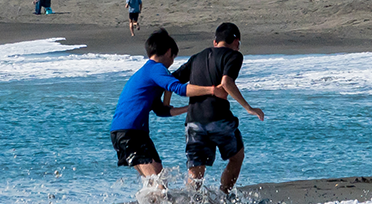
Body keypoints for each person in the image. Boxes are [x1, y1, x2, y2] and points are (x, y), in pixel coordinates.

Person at [110, 28, 227, 196]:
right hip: (130, 132)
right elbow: (178, 87)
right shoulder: (156, 69)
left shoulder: (147, 71)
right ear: (168, 52)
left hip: (128, 132)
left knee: (156, 182)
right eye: (173, 57)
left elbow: (161, 111)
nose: (172, 62)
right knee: (159, 188)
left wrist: (190, 108)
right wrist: (212, 90)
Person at [174, 22, 264, 194]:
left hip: (194, 121)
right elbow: (226, 82)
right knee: (236, 157)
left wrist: (163, 104)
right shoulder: (234, 56)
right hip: (219, 119)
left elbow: (172, 81)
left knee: (195, 170)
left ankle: (191, 199)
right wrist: (248, 108)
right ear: (236, 42)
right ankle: (223, 195)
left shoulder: (196, 57)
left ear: (215, 41)